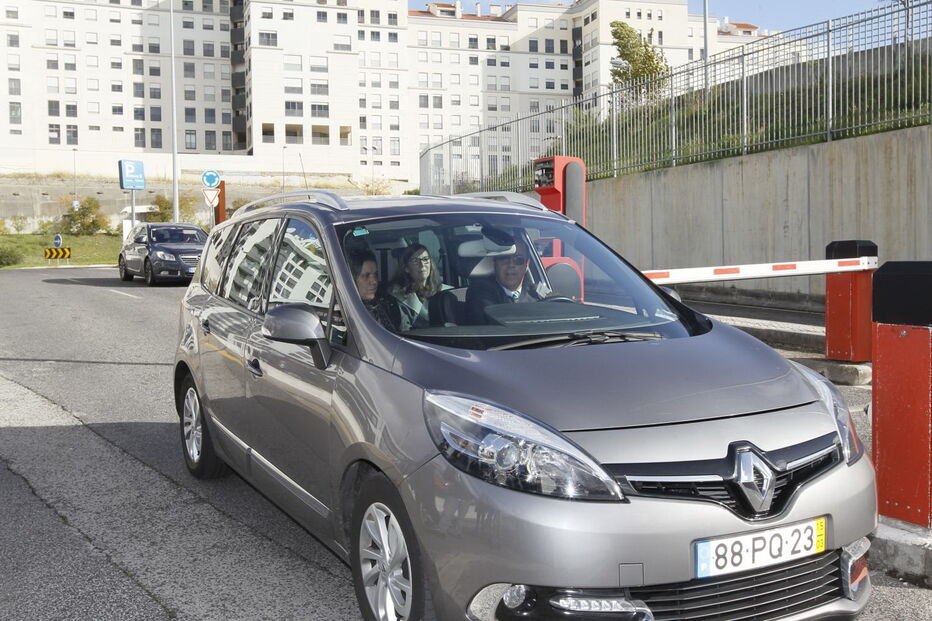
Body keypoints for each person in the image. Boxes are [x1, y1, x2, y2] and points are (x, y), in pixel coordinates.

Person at [464, 237, 542, 324]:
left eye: (518, 259)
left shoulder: (536, 292)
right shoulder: (479, 292)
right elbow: (495, 324)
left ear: (526, 265)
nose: (511, 264)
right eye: (504, 258)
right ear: (494, 262)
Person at [388, 244, 443, 331]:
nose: (422, 265)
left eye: (425, 259)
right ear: (406, 268)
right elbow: (405, 333)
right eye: (415, 261)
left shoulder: (444, 290)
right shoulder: (400, 298)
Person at [347, 250, 399, 330]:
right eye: (366, 275)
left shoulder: (383, 305)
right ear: (352, 279)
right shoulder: (346, 315)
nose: (374, 281)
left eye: (375, 274)